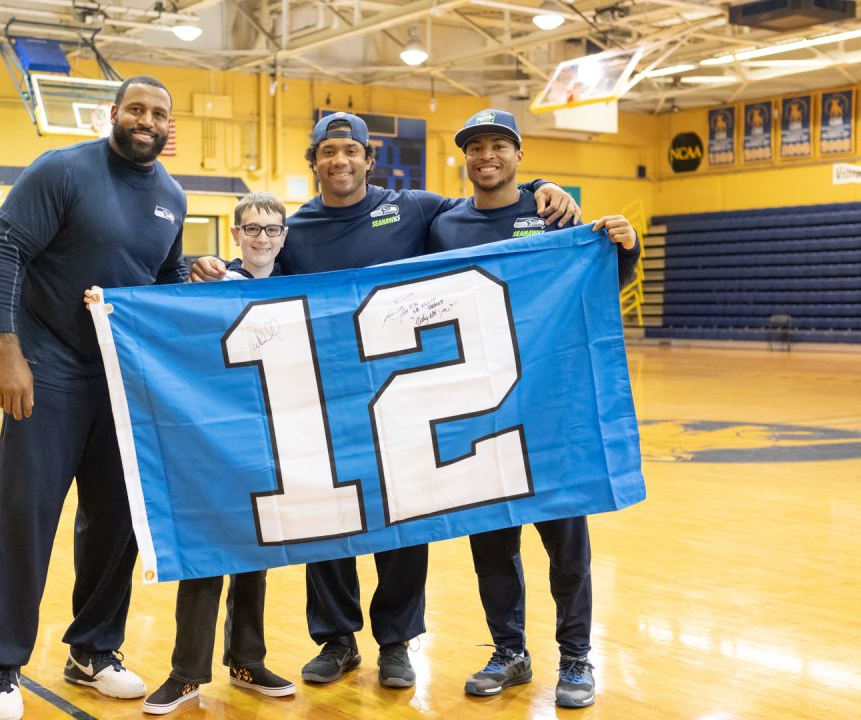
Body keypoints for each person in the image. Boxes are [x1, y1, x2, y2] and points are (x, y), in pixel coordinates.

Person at [189, 112, 582, 690]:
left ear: (370, 160)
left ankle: (396, 642)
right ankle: (337, 639)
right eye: (328, 152)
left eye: (351, 150)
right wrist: (211, 269)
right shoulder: (296, 229)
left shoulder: (416, 209)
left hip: (402, 397)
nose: (340, 160)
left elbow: (488, 202)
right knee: (327, 519)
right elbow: (258, 278)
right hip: (327, 400)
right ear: (315, 162)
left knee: (405, 522)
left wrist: (536, 189)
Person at [0, 75, 187, 720]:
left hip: (122, 382)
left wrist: (200, 277)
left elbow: (164, 281)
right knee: (26, 515)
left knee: (116, 524)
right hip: (48, 370)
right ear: (114, 113)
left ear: (167, 126)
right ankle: (2, 665)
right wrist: (8, 353)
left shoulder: (172, 196)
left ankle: (93, 650)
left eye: (158, 113)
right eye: (137, 109)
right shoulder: (62, 170)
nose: (146, 120)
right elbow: (5, 251)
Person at [427, 108, 639, 709]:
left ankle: (575, 658)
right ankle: (510, 652)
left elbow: (593, 279)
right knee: (491, 547)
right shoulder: (445, 224)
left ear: (519, 154)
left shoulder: (550, 213)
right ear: (464, 158)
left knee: (566, 545)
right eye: (475, 148)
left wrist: (625, 248)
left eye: (498, 146)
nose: (486, 156)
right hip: (477, 413)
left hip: (549, 408)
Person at [134, 193, 296, 714]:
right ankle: (186, 673)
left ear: (284, 236)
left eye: (272, 230)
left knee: (258, 555)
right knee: (206, 554)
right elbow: (160, 318)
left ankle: (247, 659)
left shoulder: (303, 289)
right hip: (211, 438)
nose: (262, 238)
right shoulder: (207, 284)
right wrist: (111, 307)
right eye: (252, 229)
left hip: (271, 439)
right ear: (235, 235)